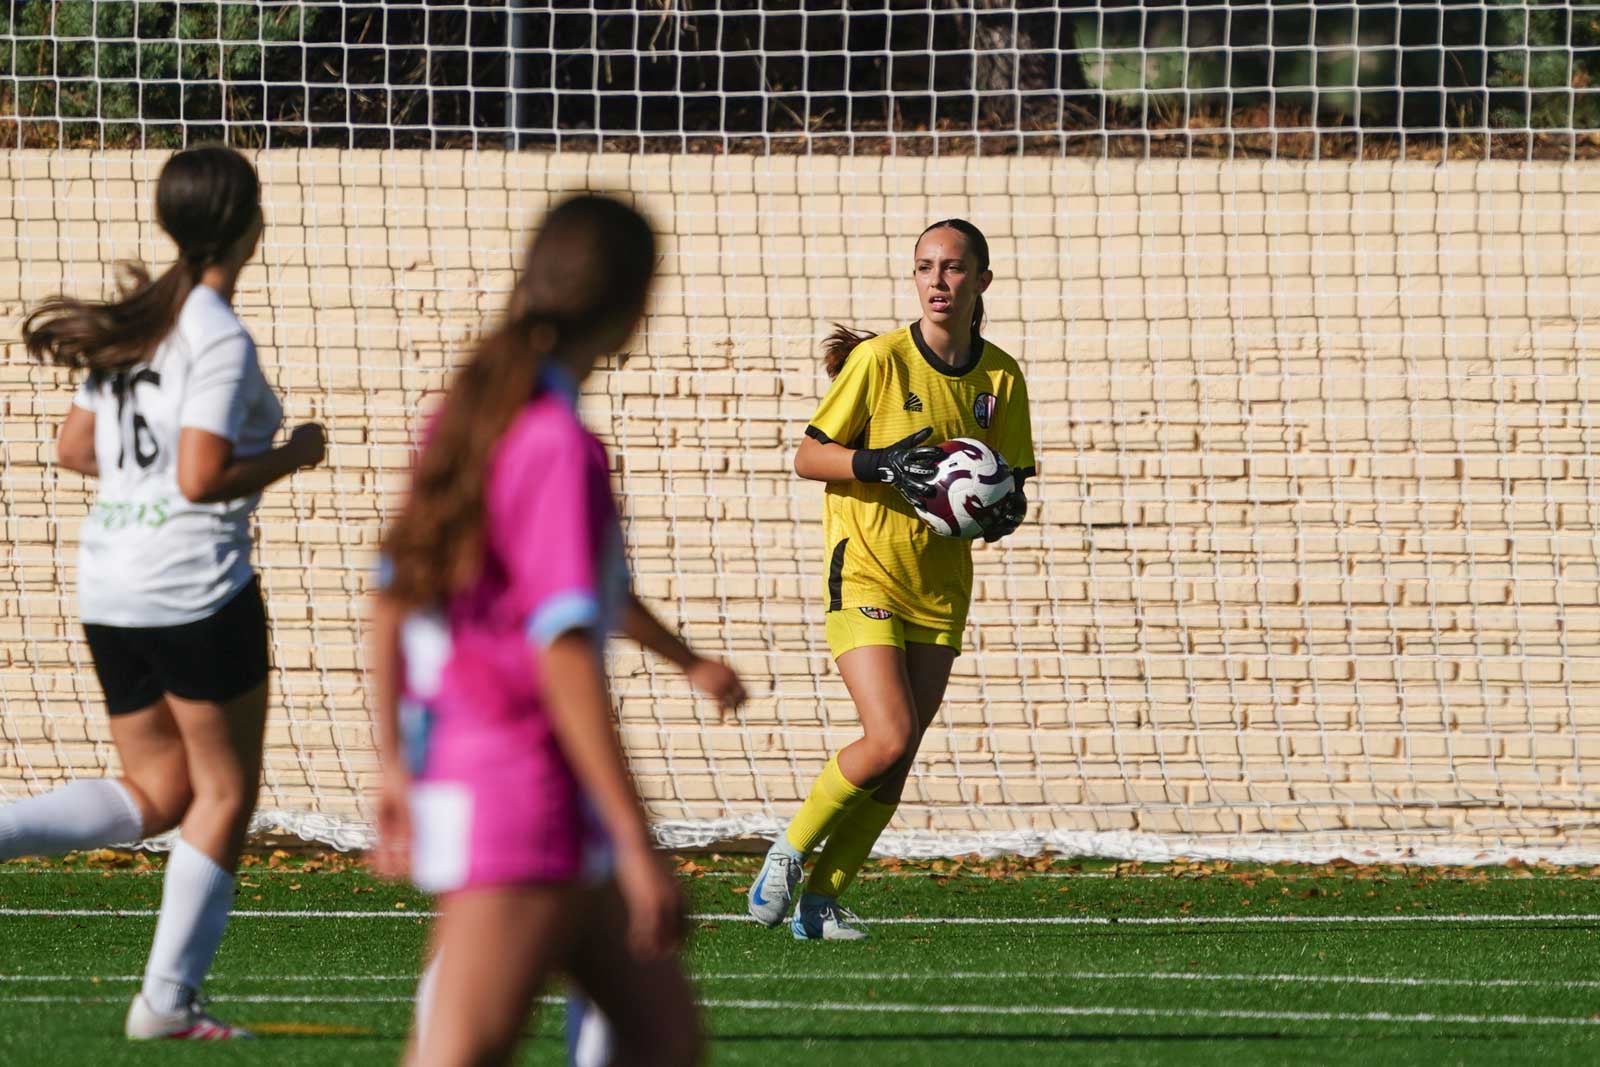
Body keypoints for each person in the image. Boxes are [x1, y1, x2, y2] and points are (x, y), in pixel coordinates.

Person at [370, 193, 743, 1067]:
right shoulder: (558, 445)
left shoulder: (463, 417)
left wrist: (394, 758)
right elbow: (563, 648)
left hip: (511, 790)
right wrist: (640, 842)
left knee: (663, 1041)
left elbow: (390, 599)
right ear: (633, 308)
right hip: (523, 800)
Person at [8, 144, 326, 1036]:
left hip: (109, 579)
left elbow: (75, 449)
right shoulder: (216, 333)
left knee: (156, 792)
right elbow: (197, 476)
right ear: (250, 225)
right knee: (223, 792)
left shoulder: (141, 320)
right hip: (194, 585)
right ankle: (166, 999)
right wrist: (294, 454)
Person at [746, 219, 1035, 940]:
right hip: (867, 571)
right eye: (925, 267)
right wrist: (877, 464)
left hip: (938, 586)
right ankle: (788, 850)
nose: (938, 280)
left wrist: (1004, 514)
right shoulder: (877, 361)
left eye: (954, 268)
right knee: (889, 732)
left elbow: (1014, 482)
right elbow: (809, 457)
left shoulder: (1000, 376)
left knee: (899, 754)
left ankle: (820, 904)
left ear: (982, 282)